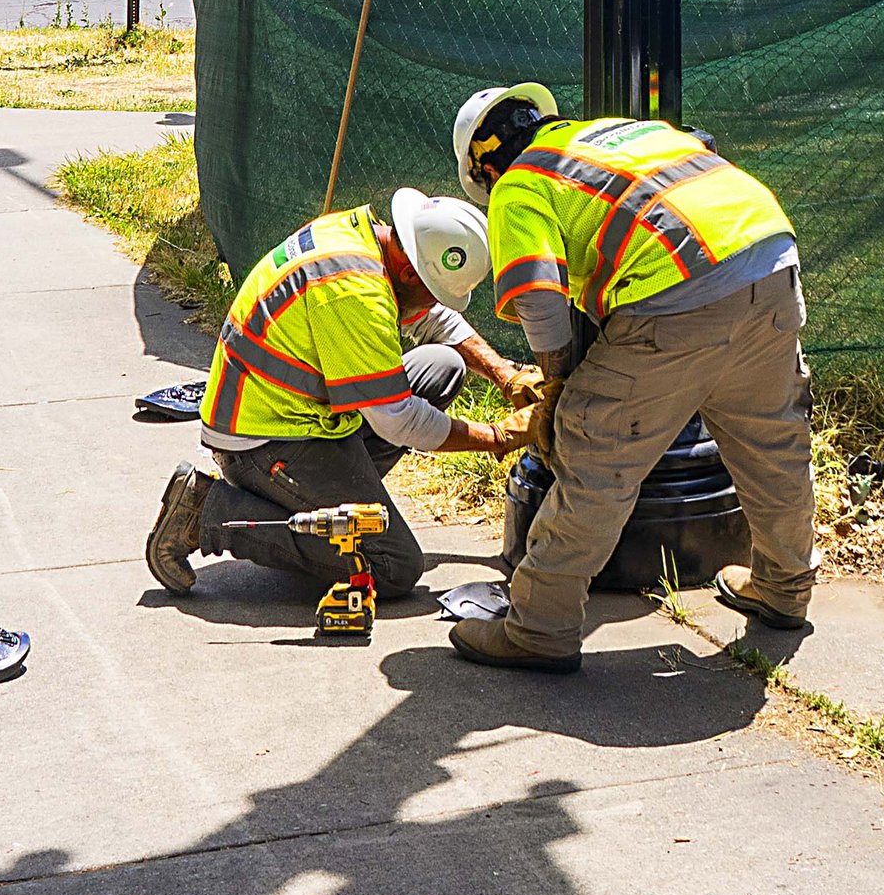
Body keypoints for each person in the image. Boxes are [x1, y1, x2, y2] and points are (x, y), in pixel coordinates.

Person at [445, 82, 817, 673]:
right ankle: (784, 587)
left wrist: (558, 389)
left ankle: (540, 627)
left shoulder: (520, 182)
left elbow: (538, 298)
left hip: (677, 291)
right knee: (773, 442)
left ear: (485, 165)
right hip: (771, 258)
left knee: (592, 449)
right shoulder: (624, 132)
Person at [144, 187, 531, 607]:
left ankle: (327, 496)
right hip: (261, 442)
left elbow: (434, 318)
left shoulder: (366, 239)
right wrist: (497, 437)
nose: (436, 304)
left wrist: (505, 374)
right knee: (393, 566)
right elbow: (396, 419)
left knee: (442, 367)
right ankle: (209, 513)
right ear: (408, 273)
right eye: (434, 290)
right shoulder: (353, 290)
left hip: (297, 415)